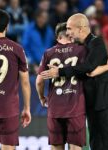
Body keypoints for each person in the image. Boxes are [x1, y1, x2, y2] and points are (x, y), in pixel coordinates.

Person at [41, 13, 108, 150]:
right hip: (92, 103)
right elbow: (88, 71)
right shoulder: (80, 48)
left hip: (105, 101)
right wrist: (106, 67)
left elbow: (88, 67)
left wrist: (59, 72)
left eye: (69, 28)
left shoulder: (97, 42)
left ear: (81, 28)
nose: (67, 32)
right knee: (95, 144)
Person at [36, 22, 87, 150]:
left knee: (56, 146)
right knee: (75, 147)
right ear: (71, 35)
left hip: (55, 108)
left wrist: (42, 97)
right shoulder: (81, 50)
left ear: (58, 37)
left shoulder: (48, 53)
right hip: (76, 107)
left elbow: (39, 81)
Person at [0, 9, 31, 150]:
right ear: (7, 26)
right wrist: (27, 108)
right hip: (8, 108)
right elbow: (25, 82)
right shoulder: (17, 49)